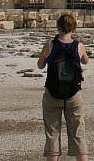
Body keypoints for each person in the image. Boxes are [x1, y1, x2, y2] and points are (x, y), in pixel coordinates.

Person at [37, 12, 90, 161]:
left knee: (52, 134)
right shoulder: (79, 46)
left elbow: (40, 65)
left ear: (58, 27)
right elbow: (86, 61)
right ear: (74, 28)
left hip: (52, 94)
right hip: (73, 95)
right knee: (78, 133)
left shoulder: (49, 45)